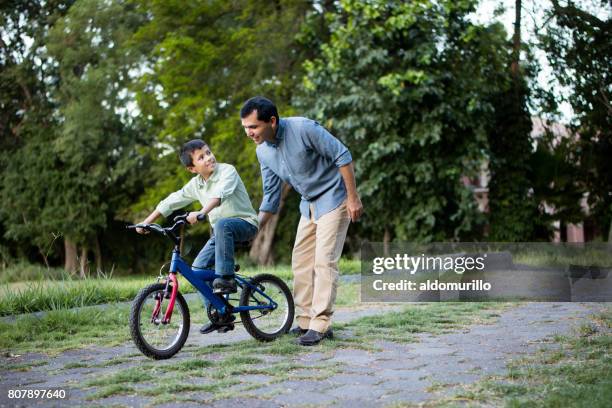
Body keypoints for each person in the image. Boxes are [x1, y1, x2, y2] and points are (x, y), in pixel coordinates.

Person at [240, 96, 363, 346]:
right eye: (245, 128)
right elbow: (271, 198)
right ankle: (306, 321)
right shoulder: (263, 151)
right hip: (308, 206)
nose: (249, 133)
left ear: (272, 121)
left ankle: (320, 325)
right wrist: (252, 228)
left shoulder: (303, 128)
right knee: (301, 262)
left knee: (324, 260)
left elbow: (343, 155)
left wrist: (353, 198)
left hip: (335, 198)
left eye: (253, 127)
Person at [137, 139, 258, 334]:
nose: (209, 157)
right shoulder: (196, 184)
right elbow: (173, 199)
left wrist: (201, 212)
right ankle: (220, 314)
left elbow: (219, 195)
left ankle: (226, 278)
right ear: (192, 169)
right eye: (201, 157)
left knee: (221, 225)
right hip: (220, 233)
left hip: (244, 224)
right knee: (197, 270)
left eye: (208, 152)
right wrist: (148, 221)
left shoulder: (228, 171)